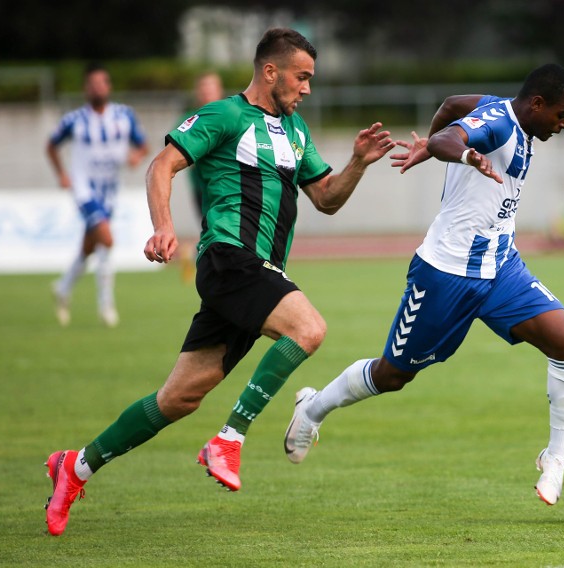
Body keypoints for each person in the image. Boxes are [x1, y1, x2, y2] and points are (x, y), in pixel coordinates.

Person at [43, 28, 396, 536]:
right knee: (308, 329)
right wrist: (164, 226)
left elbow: (327, 198)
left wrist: (359, 162)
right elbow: (161, 165)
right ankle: (230, 437)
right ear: (270, 71)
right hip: (229, 258)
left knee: (179, 398)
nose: (308, 89)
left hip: (257, 275)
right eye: (302, 77)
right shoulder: (225, 115)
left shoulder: (296, 131)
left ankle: (75, 467)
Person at [284, 64, 564, 507]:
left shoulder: (499, 109)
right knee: (393, 375)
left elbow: (449, 107)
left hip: (500, 265)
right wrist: (456, 152)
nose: (563, 125)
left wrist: (428, 146)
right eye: (562, 115)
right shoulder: (499, 123)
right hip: (446, 271)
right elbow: (452, 137)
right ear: (538, 104)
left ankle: (556, 456)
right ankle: (312, 409)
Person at [46, 62, 149, 327]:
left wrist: (136, 157)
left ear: (108, 86)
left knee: (91, 246)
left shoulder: (124, 116)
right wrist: (62, 174)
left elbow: (144, 145)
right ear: (85, 89)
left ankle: (63, 288)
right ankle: (106, 304)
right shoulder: (74, 120)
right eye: (92, 84)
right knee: (107, 238)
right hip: (84, 189)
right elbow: (51, 145)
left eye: (101, 83)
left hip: (111, 191)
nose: (97, 88)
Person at [177, 71, 225, 282]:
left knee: (219, 232)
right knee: (215, 229)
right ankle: (206, 265)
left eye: (211, 88)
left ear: (219, 91)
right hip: (204, 189)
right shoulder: (190, 120)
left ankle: (198, 256)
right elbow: (175, 152)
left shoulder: (230, 116)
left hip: (229, 186)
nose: (207, 93)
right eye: (203, 88)